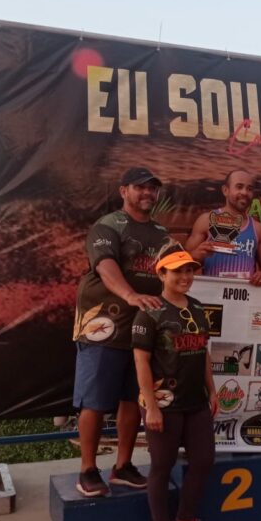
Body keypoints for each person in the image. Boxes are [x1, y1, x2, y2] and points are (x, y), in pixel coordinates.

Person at [71, 167, 170, 498]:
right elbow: (105, 265)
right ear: (123, 191)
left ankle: (123, 466)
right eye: (140, 187)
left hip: (143, 329)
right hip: (104, 325)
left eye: (152, 189)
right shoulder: (108, 226)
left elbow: (176, 269)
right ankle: (87, 469)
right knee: (95, 401)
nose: (147, 194)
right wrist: (130, 296)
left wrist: (203, 255)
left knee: (133, 398)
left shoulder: (160, 233)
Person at [132, 245, 218, 521]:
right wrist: (151, 406)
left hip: (196, 401)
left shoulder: (197, 307)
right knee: (162, 465)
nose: (185, 276)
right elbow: (141, 361)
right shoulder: (149, 312)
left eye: (189, 270)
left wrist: (213, 389)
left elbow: (204, 353)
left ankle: (184, 520)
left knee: (204, 460)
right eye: (177, 270)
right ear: (162, 273)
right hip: (163, 403)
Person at [185, 169, 261, 285]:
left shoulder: (257, 228)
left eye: (249, 189)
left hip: (244, 298)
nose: (245, 192)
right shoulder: (206, 221)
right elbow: (181, 264)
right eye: (239, 187)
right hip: (212, 298)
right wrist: (195, 255)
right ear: (225, 190)